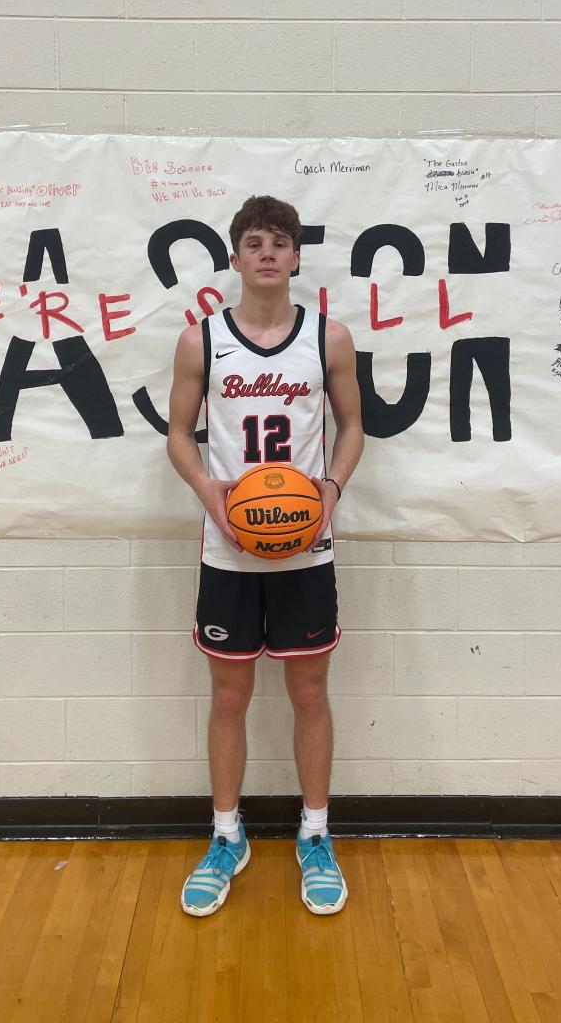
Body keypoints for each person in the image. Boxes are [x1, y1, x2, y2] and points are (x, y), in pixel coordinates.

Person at [167, 194, 364, 917]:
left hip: (306, 551)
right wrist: (207, 491)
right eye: (254, 242)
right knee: (229, 697)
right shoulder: (200, 341)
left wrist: (331, 490)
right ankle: (227, 835)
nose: (268, 253)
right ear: (235, 256)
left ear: (298, 257)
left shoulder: (328, 339)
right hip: (229, 550)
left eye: (281, 241)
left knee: (310, 694)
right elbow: (179, 434)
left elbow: (352, 429)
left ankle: (314, 833)